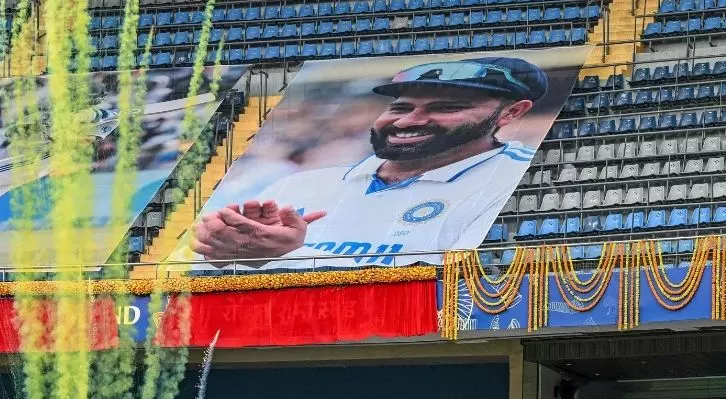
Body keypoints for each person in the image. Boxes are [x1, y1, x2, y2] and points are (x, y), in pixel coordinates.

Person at [189, 57, 548, 267]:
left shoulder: (524, 181)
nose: (407, 122)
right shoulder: (301, 184)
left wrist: (287, 256)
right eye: (400, 107)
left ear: (511, 113)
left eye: (446, 108)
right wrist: (223, 254)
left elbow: (464, 286)